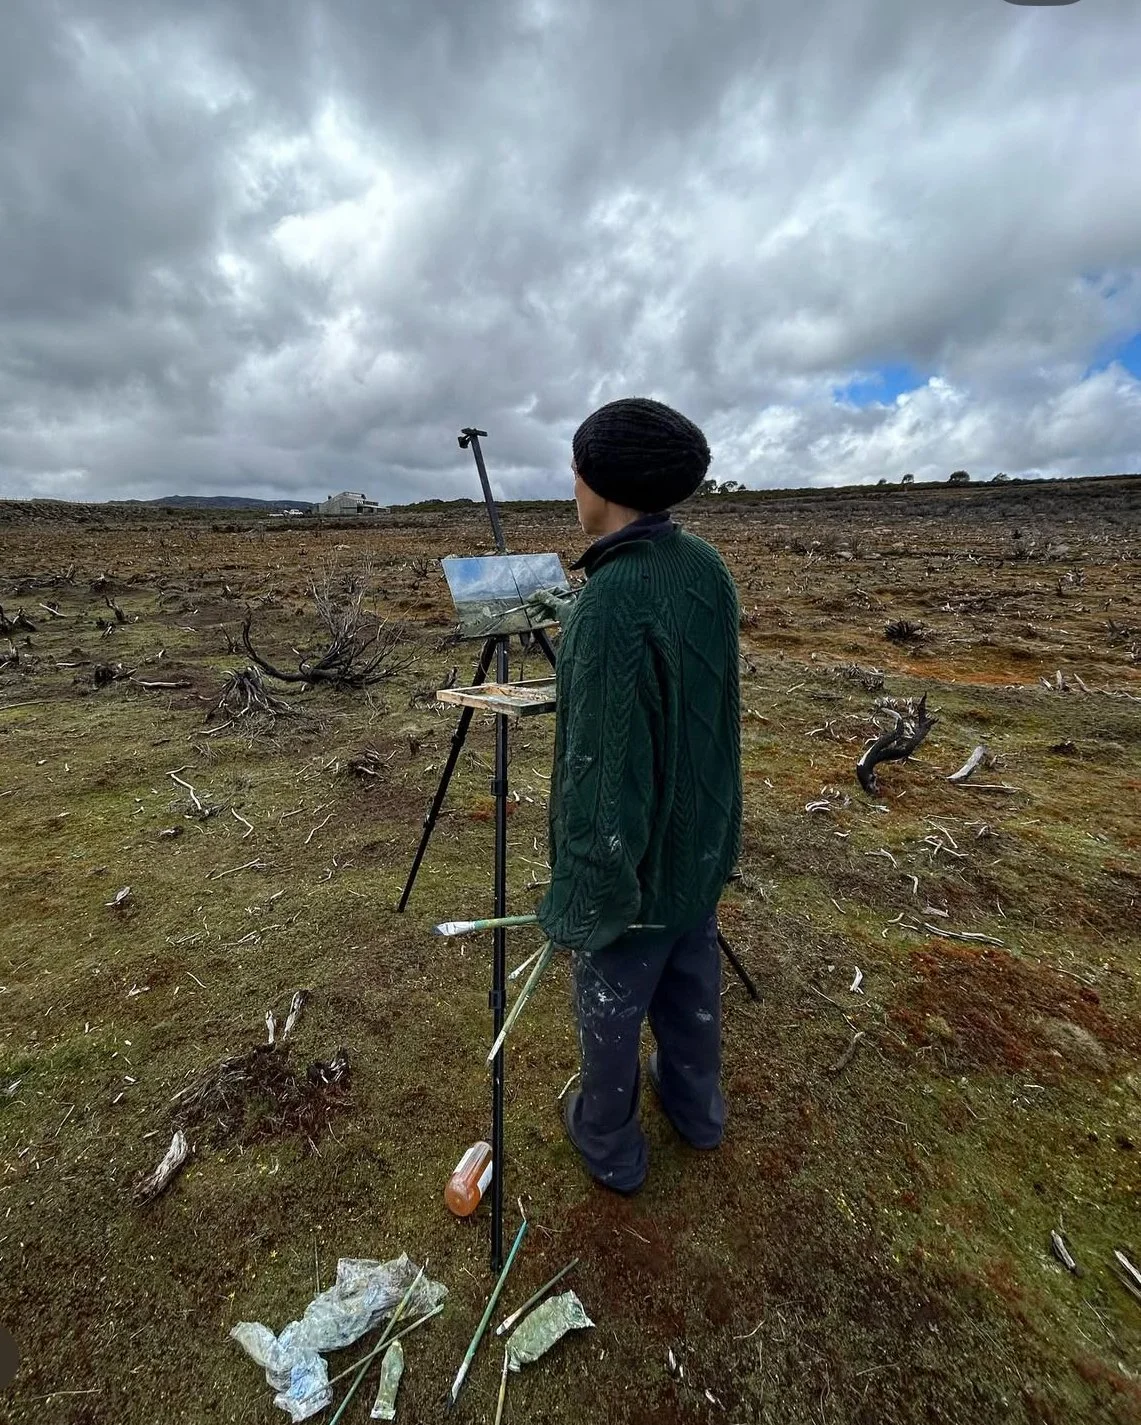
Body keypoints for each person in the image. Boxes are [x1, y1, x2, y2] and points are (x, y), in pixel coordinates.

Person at [534, 397, 743, 1195]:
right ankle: (698, 1109)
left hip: (635, 879)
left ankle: (608, 1140)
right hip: (699, 853)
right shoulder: (706, 569)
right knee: (692, 989)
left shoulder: (608, 607)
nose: (573, 488)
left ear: (598, 483)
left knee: (612, 1009)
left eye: (574, 472)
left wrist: (585, 897)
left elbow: (598, 777)